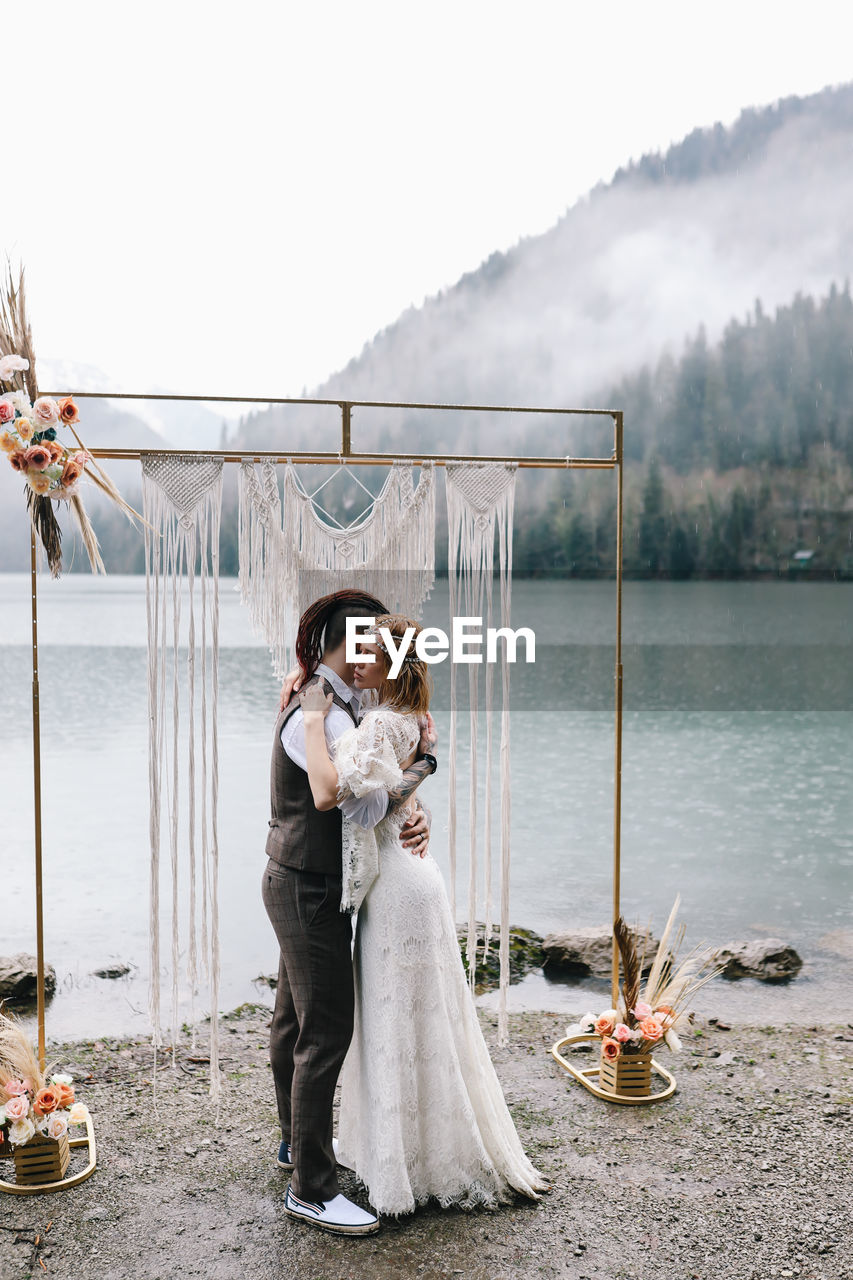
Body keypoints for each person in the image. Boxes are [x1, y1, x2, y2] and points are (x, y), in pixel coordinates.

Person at [298, 613, 548, 1218]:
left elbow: (342, 800)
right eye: (355, 655)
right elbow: (389, 796)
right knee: (421, 1018)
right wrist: (415, 789)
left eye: (368, 657)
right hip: (412, 881)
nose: (356, 665)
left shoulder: (384, 721)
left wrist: (311, 719)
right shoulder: (411, 720)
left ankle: (398, 1164)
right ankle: (413, 1151)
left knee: (394, 1020)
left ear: (392, 665)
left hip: (396, 888)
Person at [262, 590, 437, 1237]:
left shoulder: (342, 703)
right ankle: (311, 1187)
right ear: (355, 643)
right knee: (325, 1030)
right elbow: (347, 801)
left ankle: (293, 1145)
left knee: (292, 1020)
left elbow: (382, 762)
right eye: (372, 641)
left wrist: (413, 791)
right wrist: (420, 770)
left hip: (302, 877)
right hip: (307, 884)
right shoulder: (319, 714)